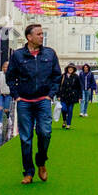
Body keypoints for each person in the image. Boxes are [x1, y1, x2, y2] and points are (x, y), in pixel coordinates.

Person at [5, 23, 61, 184]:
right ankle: (28, 172)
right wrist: (16, 96)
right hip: (24, 102)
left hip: (43, 100)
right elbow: (10, 77)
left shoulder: (50, 54)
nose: (42, 36)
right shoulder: (18, 55)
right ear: (29, 37)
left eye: (42, 34)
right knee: (26, 138)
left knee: (45, 133)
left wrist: (50, 95)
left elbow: (56, 76)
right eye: (39, 34)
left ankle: (41, 161)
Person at [58, 65, 82, 130]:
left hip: (72, 96)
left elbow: (79, 87)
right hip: (63, 96)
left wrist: (80, 96)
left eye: (72, 68)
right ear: (67, 69)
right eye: (69, 68)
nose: (70, 69)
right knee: (63, 109)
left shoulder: (76, 77)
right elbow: (59, 86)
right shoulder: (63, 76)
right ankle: (64, 120)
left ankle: (68, 124)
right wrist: (58, 95)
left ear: (74, 69)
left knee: (70, 110)